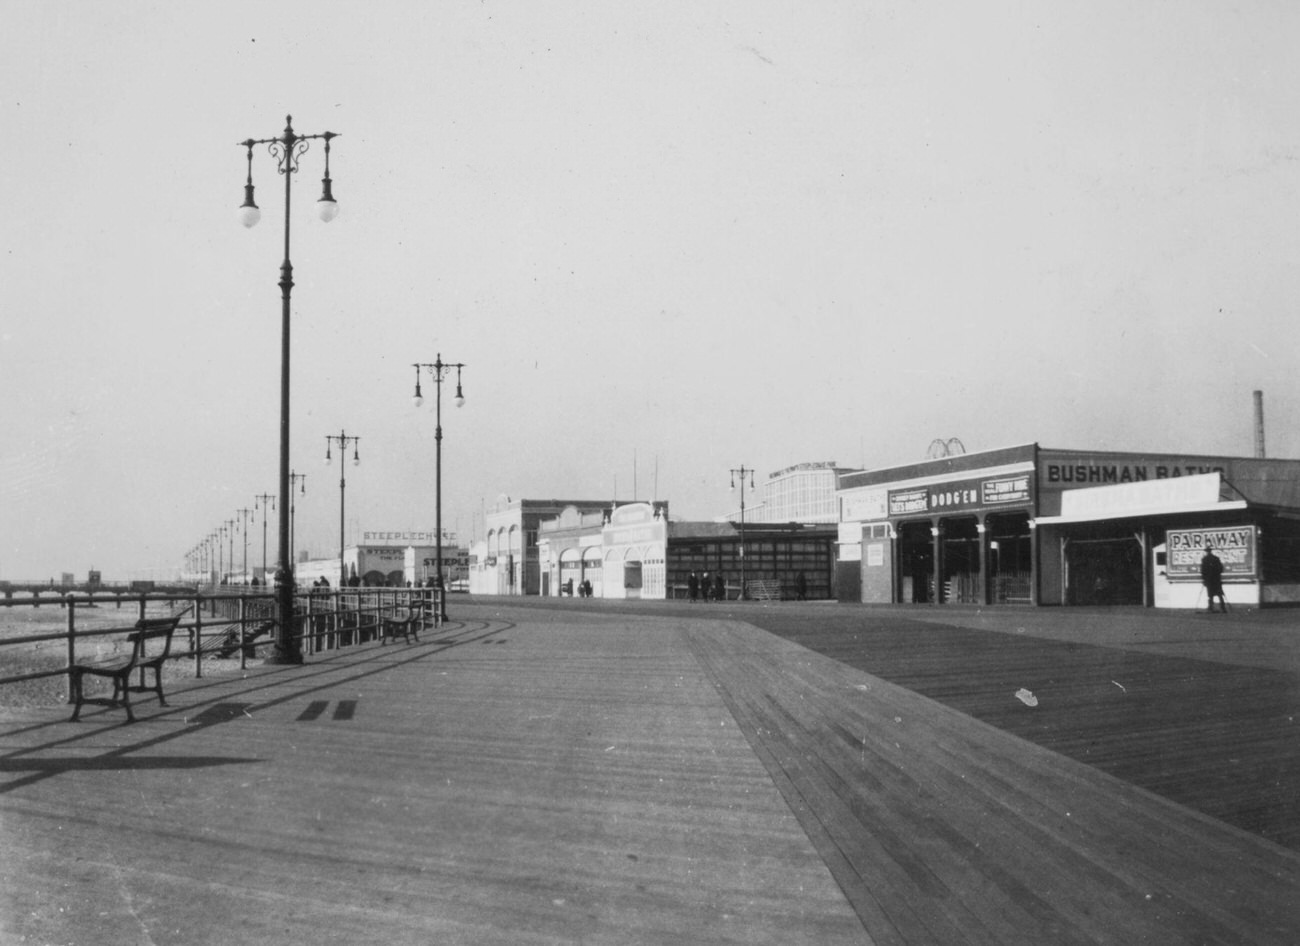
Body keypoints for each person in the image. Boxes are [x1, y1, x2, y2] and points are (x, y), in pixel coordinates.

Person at [1200, 544, 1226, 613]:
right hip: (1216, 579)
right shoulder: (1216, 558)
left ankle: (1211, 608)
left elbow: (1203, 571)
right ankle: (1223, 608)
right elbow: (1220, 568)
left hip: (1209, 580)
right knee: (1219, 594)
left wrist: (1204, 579)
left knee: (1210, 595)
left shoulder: (1205, 559)